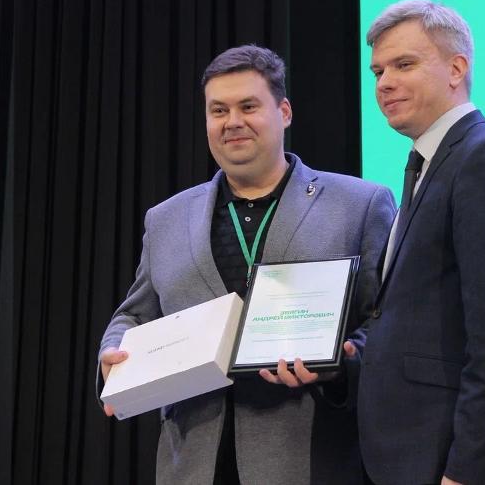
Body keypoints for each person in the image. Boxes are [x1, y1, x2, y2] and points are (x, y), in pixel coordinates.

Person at [97, 44, 395, 484]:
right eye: (218, 110)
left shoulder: (359, 204)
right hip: (194, 463)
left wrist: (342, 366)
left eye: (248, 106)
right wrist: (112, 350)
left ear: (284, 112)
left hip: (313, 460)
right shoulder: (166, 219)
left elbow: (388, 321)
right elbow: (135, 314)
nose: (232, 121)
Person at [358, 0, 485, 485]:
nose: (384, 83)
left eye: (404, 64)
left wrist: (466, 471)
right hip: (414, 458)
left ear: (456, 69)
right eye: (378, 71)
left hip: (461, 467)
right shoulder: (428, 166)